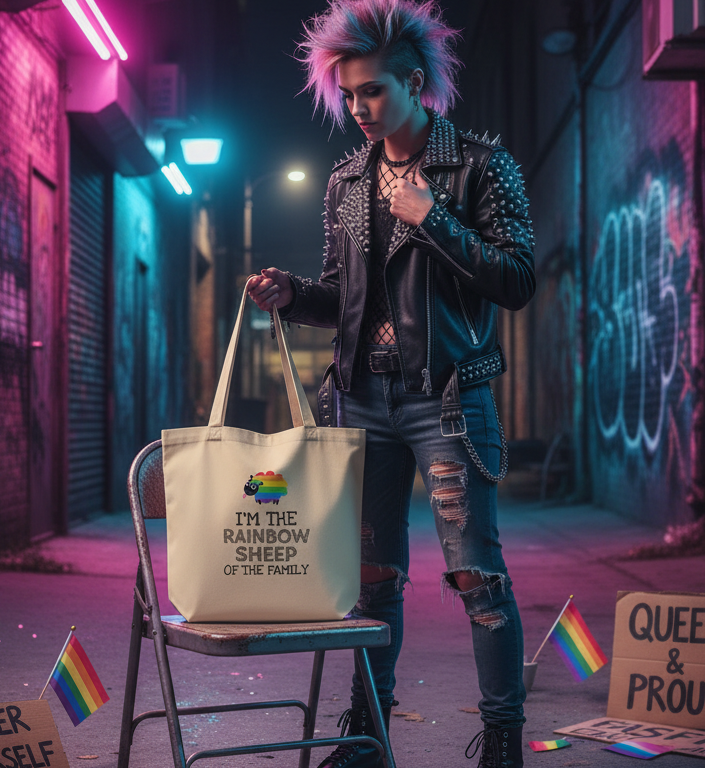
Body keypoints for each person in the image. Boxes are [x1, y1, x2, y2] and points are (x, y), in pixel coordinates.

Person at [247, 1, 535, 766]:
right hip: (363, 403)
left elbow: (517, 279)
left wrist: (435, 219)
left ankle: (502, 738)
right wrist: (290, 293)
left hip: (446, 400)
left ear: (414, 83)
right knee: (372, 583)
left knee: (477, 576)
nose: (358, 108)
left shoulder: (480, 166)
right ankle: (368, 736)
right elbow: (343, 297)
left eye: (371, 91)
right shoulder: (345, 182)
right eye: (348, 95)